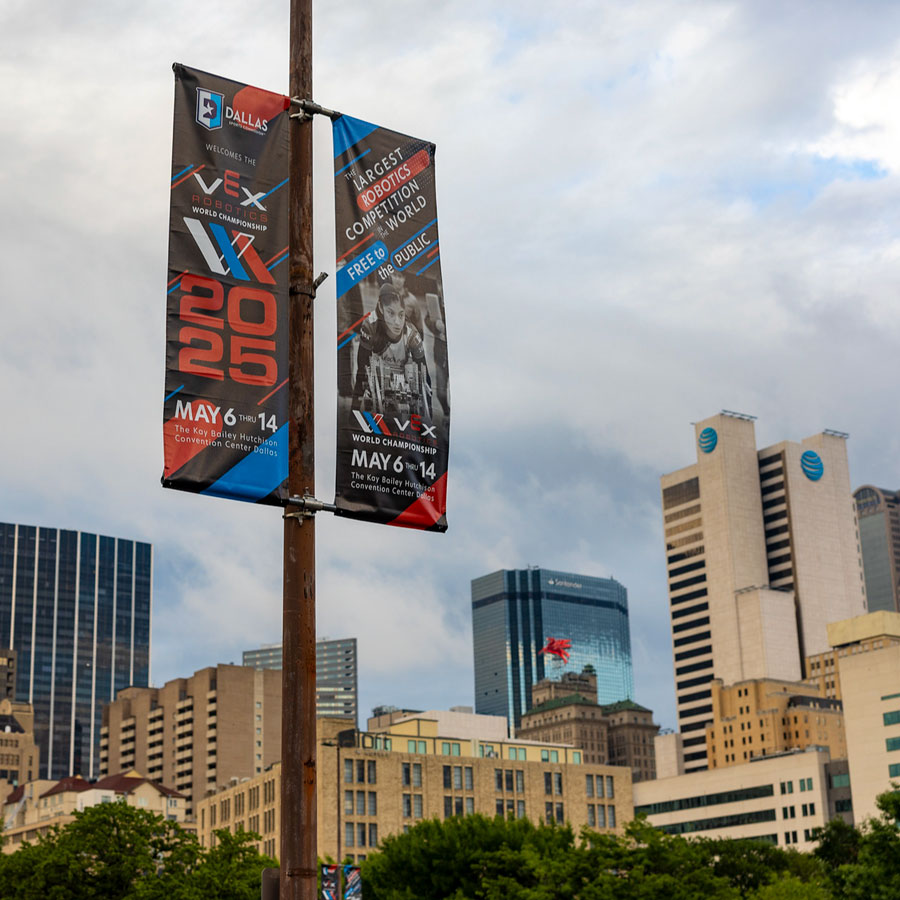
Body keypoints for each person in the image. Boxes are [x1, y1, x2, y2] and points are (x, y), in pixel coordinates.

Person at [353, 282, 431, 419]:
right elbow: (361, 370)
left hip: (402, 382)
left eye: (401, 315)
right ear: (381, 309)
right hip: (379, 381)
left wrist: (428, 417)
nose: (397, 322)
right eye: (391, 313)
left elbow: (425, 378)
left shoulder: (412, 334)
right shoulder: (370, 325)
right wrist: (354, 415)